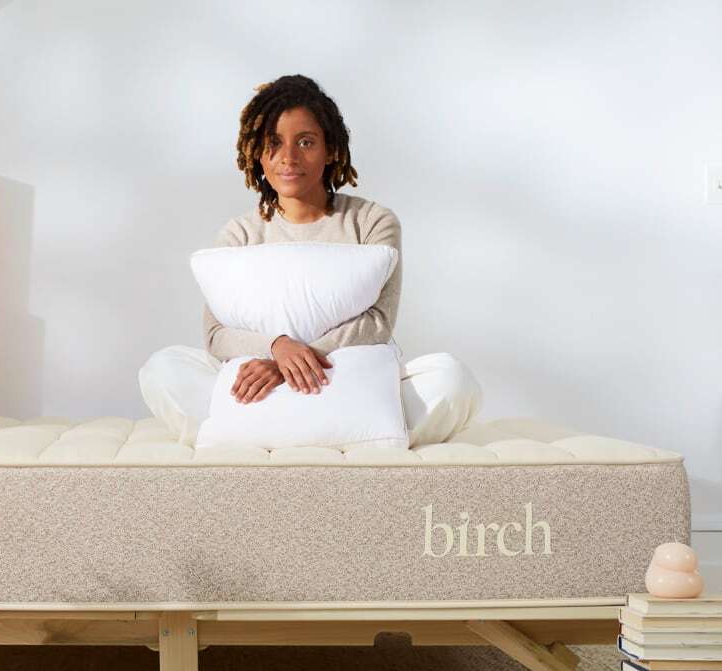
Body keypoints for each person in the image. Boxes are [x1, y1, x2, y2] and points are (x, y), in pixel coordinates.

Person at [139, 74, 482, 446]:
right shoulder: (239, 234)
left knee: (452, 379)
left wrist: (292, 362)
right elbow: (216, 335)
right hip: (259, 380)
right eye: (274, 143)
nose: (289, 157)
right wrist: (276, 348)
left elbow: (378, 322)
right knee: (162, 370)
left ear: (331, 149)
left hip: (341, 374)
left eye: (305, 142)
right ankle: (301, 430)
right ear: (257, 152)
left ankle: (291, 431)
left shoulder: (372, 221)